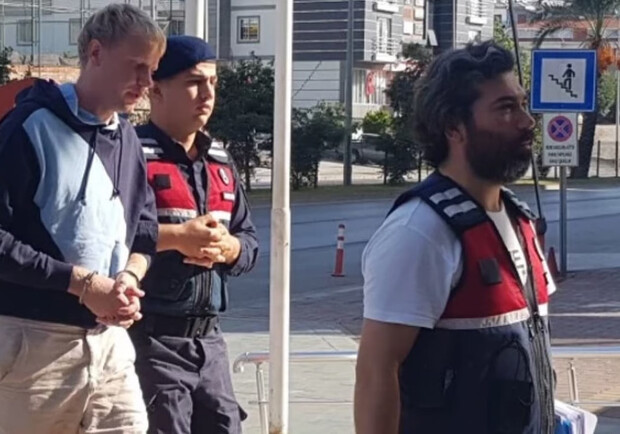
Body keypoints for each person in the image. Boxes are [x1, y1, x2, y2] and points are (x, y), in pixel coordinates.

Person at [354, 40, 557, 434]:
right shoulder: (420, 231)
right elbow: (377, 371)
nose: (527, 121)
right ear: (453, 127)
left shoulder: (521, 221)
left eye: (522, 104)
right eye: (506, 108)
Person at [0, 4, 166, 434]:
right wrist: (85, 285)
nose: (147, 83)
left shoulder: (127, 137)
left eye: (152, 71)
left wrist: (128, 278)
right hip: (32, 344)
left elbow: (144, 230)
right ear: (95, 53)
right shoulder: (27, 127)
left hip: (110, 345)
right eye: (137, 67)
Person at [130, 35, 259, 434]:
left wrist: (230, 248)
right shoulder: (130, 153)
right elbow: (107, 238)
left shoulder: (220, 160)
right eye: (193, 82)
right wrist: (175, 237)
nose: (207, 94)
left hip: (211, 342)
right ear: (156, 89)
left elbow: (249, 241)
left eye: (213, 82)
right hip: (151, 341)